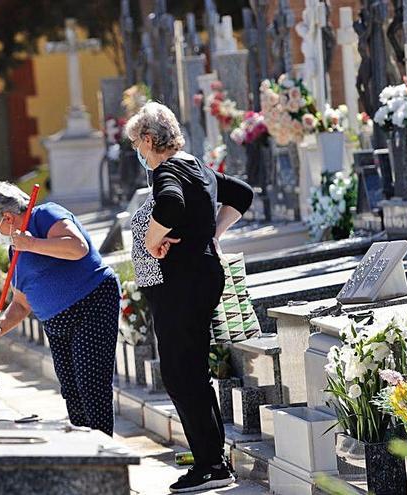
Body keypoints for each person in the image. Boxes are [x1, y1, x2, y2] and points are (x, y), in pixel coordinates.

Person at [125, 102, 253, 493]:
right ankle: (213, 461)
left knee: (181, 375)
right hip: (200, 275)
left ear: (149, 140)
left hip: (181, 283)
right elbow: (242, 193)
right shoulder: (194, 164)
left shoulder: (167, 169)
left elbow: (171, 203)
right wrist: (213, 233)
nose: (139, 153)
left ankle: (210, 464)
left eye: (137, 145)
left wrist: (152, 239)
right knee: (190, 372)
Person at [0, 182, 120, 436]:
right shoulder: (15, 250)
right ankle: (83, 450)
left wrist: (32, 244)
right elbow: (21, 304)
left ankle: (102, 451)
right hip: (56, 322)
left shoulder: (44, 215)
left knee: (91, 385)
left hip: (91, 303)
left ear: (7, 217)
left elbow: (77, 247)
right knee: (71, 390)